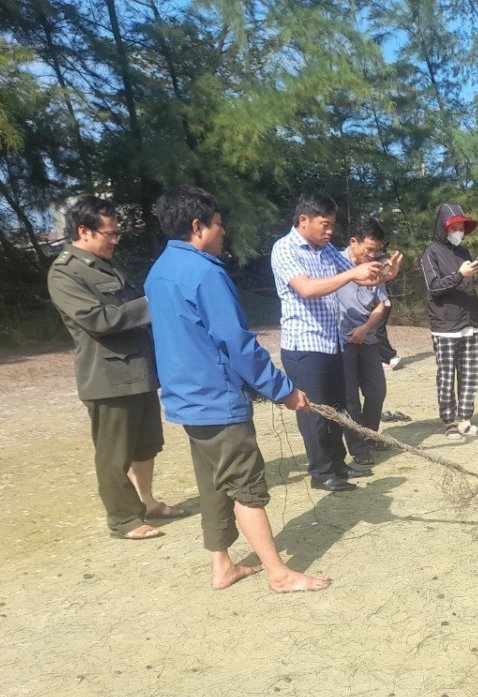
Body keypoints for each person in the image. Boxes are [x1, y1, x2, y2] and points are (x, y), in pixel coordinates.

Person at [145, 186, 330, 592]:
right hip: (216, 400)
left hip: (185, 400)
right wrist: (284, 391)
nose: (223, 231)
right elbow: (237, 344)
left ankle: (222, 566)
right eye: (218, 223)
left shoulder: (158, 271)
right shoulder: (206, 273)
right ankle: (279, 574)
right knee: (246, 486)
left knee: (214, 483)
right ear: (198, 227)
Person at [47, 195, 184, 540]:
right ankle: (123, 519)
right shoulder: (65, 272)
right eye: (109, 233)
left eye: (116, 232)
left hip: (138, 370)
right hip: (108, 379)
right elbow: (98, 319)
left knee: (146, 444)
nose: (115, 239)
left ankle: (147, 501)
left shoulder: (103, 265)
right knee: (114, 454)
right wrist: (152, 305)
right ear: (84, 231)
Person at [270, 195, 389, 491]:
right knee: (314, 414)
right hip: (304, 346)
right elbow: (307, 289)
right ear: (304, 221)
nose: (329, 232)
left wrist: (384, 274)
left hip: (331, 342)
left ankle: (338, 464)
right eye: (325, 225)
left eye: (332, 226)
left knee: (337, 409)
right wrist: (353, 273)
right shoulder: (285, 249)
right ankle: (321, 473)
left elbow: (360, 280)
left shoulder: (325, 251)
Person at [419, 202, 478, 440]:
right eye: (454, 226)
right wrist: (460, 274)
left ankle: (465, 420)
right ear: (443, 227)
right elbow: (434, 287)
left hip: (467, 324)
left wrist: (476, 322)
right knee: (447, 375)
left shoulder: (464, 253)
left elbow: (470, 289)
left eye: (461, 226)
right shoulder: (430, 253)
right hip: (445, 326)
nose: (459, 231)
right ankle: (449, 421)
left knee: (469, 374)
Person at [339, 219, 403, 466]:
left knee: (377, 390)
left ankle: (371, 434)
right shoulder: (334, 262)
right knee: (350, 399)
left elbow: (380, 303)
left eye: (377, 250)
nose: (373, 255)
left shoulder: (376, 267)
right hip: (340, 339)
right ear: (353, 242)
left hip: (367, 337)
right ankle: (358, 448)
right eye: (369, 250)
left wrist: (366, 328)